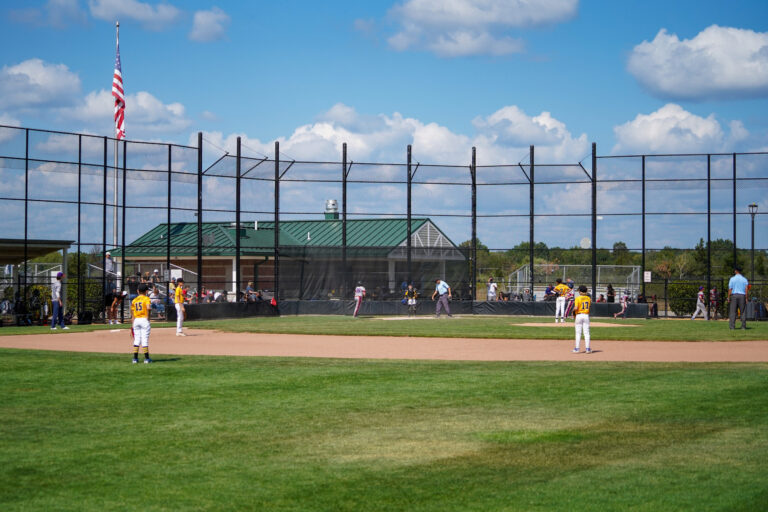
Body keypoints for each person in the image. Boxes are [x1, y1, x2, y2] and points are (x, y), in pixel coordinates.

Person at [131, 283, 153, 364]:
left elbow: (132, 311)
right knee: (144, 339)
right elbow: (148, 308)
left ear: (138, 291)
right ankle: (147, 358)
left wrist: (133, 321)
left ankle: (135, 359)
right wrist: (148, 317)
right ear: (146, 291)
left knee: (137, 339)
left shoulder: (134, 300)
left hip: (136, 320)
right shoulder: (146, 298)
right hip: (144, 319)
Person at [728, 266, 749, 330]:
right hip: (742, 296)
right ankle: (743, 326)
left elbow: (730, 289)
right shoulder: (744, 279)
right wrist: (746, 298)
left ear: (736, 271)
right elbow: (746, 290)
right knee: (743, 312)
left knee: (733, 312)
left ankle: (732, 327)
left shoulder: (732, 279)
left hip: (734, 295)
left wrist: (728, 297)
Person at [572, 285, 592, 354]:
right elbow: (589, 306)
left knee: (578, 333)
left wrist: (573, 312)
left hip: (579, 315)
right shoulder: (589, 298)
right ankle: (588, 349)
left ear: (580, 291)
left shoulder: (577, 298)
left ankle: (577, 349)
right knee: (586, 333)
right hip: (586, 315)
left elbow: (576, 308)